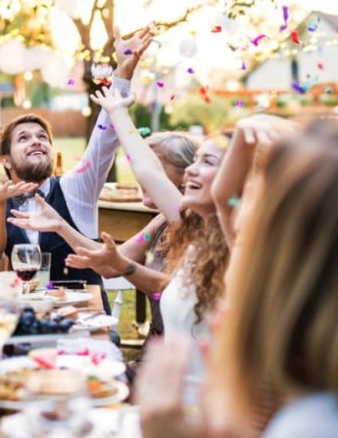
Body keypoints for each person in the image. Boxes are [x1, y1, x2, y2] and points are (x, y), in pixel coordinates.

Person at [138, 118, 338, 437]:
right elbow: (223, 195)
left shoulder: (311, 420)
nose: (232, 224)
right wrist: (245, 135)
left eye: (246, 234)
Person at [0, 27, 152, 309]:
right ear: (6, 160)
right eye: (23, 138)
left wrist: (122, 73)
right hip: (29, 318)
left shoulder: (75, 189)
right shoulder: (2, 202)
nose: (36, 142)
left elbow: (103, 141)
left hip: (86, 318)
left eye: (42, 137)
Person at [85, 86, 230, 407]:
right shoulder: (191, 222)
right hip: (167, 392)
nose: (192, 168)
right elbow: (148, 169)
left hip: (204, 408)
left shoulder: (239, 242)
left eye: (207, 162)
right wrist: (118, 111)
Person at [8, 131, 199, 337]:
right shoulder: (161, 221)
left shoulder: (203, 223)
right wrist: (60, 226)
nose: (141, 175)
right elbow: (108, 264)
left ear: (186, 175)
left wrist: (122, 265)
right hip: (157, 349)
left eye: (153, 167)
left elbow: (179, 291)